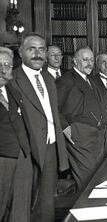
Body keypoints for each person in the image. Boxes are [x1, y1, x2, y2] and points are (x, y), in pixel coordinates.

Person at [12, 33, 69, 222]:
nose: (38, 54)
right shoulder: (12, 80)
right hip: (27, 152)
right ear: (20, 52)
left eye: (42, 49)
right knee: (25, 205)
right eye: (32, 49)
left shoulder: (47, 78)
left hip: (50, 146)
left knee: (46, 203)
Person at [56, 46, 106, 190]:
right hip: (79, 134)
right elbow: (54, 107)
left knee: (97, 177)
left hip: (96, 135)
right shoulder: (66, 80)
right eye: (85, 60)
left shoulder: (90, 79)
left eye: (91, 60)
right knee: (88, 179)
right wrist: (66, 128)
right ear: (75, 61)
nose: (89, 63)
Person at [0, 47, 32, 222]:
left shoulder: (13, 91)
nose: (2, 69)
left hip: (22, 156)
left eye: (7, 65)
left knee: (20, 211)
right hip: (2, 158)